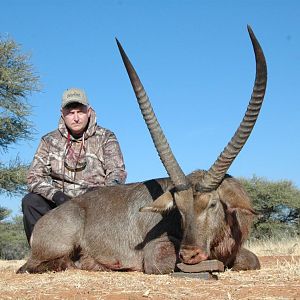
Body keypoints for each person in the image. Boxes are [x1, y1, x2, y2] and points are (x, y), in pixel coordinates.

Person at [21, 88, 127, 243]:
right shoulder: (48, 140)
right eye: (70, 113)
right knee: (30, 201)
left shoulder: (106, 137)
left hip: (95, 205)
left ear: (89, 111)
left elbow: (117, 173)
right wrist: (57, 196)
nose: (76, 118)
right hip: (60, 204)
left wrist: (100, 197)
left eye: (80, 112)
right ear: (62, 113)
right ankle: (42, 254)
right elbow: (33, 178)